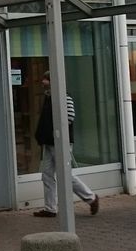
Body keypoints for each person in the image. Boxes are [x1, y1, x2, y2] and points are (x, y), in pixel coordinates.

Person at [33, 72, 100, 217]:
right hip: (49, 143)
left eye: (45, 79)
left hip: (59, 142)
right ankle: (50, 208)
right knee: (47, 175)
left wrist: (55, 134)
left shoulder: (64, 96)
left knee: (65, 174)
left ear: (52, 81)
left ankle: (91, 198)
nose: (43, 82)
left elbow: (69, 116)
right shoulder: (48, 97)